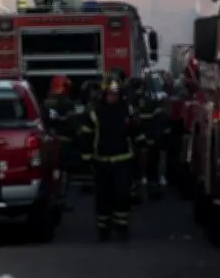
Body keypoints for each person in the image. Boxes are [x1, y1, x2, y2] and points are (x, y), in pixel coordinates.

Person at [78, 75, 146, 242]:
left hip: (123, 159)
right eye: (109, 94)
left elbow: (136, 129)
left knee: (122, 194)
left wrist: (142, 145)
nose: (112, 97)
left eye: (115, 94)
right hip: (101, 161)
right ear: (103, 94)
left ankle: (122, 227)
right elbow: (86, 135)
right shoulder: (94, 112)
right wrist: (87, 159)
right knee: (103, 197)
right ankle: (103, 229)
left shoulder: (127, 109)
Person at [43, 75, 78, 209]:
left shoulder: (46, 102)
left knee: (50, 171)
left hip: (49, 142)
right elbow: (72, 124)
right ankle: (61, 199)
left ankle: (51, 198)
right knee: (64, 172)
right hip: (65, 142)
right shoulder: (67, 103)